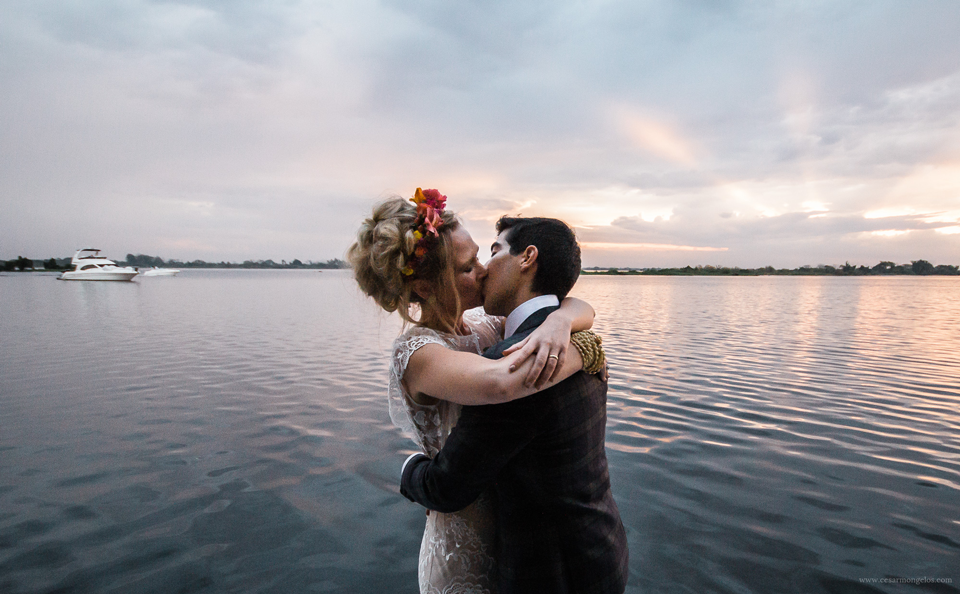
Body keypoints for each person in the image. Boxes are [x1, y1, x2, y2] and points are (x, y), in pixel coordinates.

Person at [347, 189, 604, 594]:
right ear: (426, 287)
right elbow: (501, 381)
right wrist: (586, 347)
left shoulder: (488, 327)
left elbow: (575, 305)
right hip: (461, 540)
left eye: (481, 257)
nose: (484, 271)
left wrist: (562, 320)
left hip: (512, 537)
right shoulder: (420, 353)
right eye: (468, 268)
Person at [400, 216, 629, 594]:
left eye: (494, 251)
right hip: (603, 546)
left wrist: (409, 468)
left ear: (527, 258)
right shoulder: (573, 334)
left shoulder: (514, 358)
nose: (485, 269)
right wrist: (564, 317)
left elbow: (447, 488)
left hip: (551, 575)